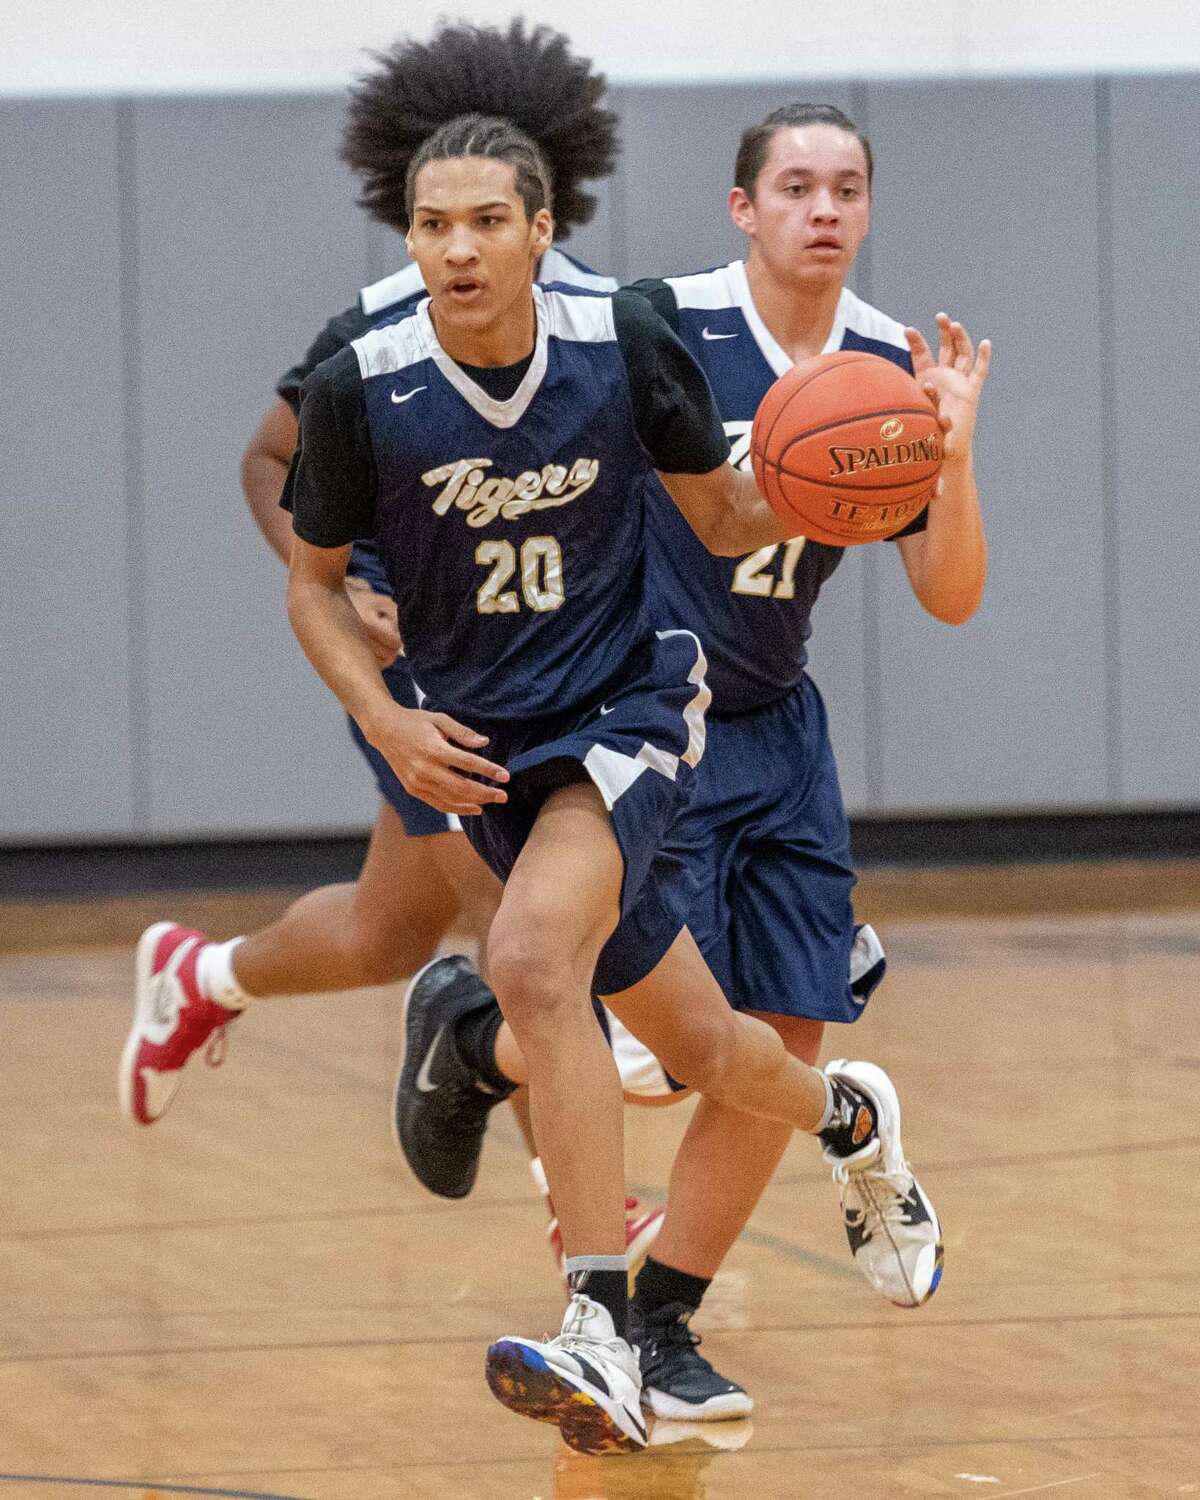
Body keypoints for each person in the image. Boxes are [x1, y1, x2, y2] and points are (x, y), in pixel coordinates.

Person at [282, 108, 946, 1455]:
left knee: (532, 955)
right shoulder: (364, 382)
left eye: (486, 222)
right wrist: (385, 717)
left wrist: (859, 471)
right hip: (478, 744)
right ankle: (850, 1116)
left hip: (627, 716)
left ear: (541, 234)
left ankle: (602, 1325)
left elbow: (729, 516)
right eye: (431, 225)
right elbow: (311, 584)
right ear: (408, 241)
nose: (457, 249)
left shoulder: (621, 346)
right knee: (702, 1050)